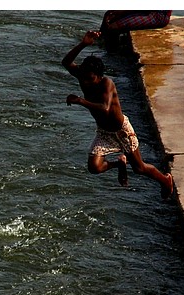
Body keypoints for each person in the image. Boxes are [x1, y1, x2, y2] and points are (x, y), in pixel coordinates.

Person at [62, 30, 173, 199]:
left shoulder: (107, 83)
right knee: (94, 167)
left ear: (99, 77)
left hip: (122, 131)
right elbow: (66, 62)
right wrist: (83, 44)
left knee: (139, 168)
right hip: (104, 132)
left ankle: (165, 180)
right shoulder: (83, 75)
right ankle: (119, 163)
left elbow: (105, 107)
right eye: (83, 77)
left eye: (90, 79)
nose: (85, 81)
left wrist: (81, 101)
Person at [100, 11, 172, 52]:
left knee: (114, 27)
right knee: (109, 14)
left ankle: (112, 55)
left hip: (159, 15)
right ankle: (100, 41)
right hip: (147, 11)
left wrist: (121, 12)